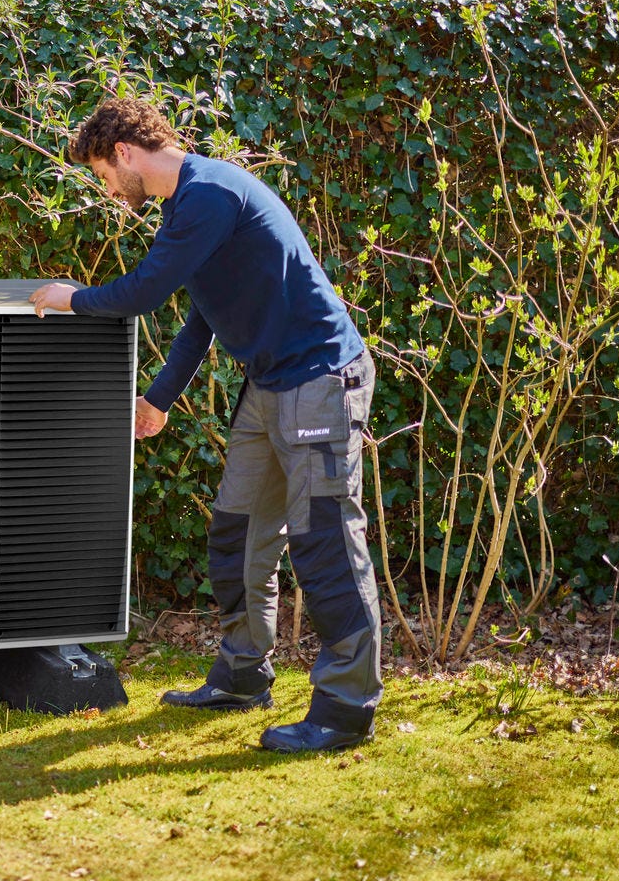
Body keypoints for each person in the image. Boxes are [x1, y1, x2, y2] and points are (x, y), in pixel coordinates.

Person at [27, 97, 380, 753]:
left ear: (125, 154)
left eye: (105, 173)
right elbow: (203, 313)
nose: (108, 188)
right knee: (238, 531)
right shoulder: (188, 203)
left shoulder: (209, 195)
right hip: (271, 380)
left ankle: (345, 709)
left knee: (326, 540)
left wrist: (70, 298)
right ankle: (244, 676)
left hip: (319, 378)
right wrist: (160, 397)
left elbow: (142, 294)